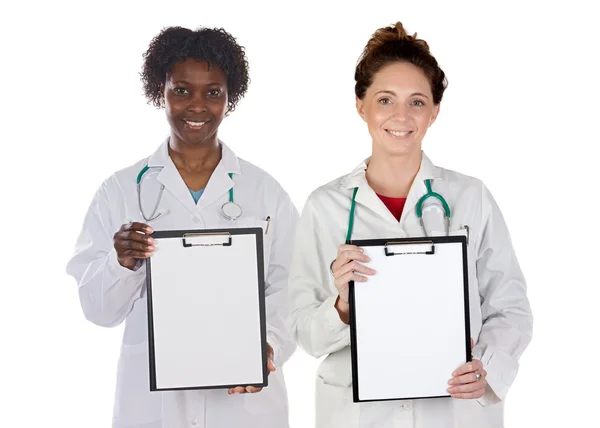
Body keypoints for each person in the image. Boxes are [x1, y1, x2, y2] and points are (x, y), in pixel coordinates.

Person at [288, 22, 533, 428]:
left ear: (434, 111)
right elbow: (305, 333)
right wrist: (343, 307)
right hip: (358, 414)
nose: (401, 116)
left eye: (417, 102)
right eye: (385, 99)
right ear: (360, 105)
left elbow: (511, 309)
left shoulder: (470, 197)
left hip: (454, 409)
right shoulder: (325, 206)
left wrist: (488, 367)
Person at [66, 26, 298, 428]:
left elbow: (291, 286)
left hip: (243, 405)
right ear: (161, 91)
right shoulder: (119, 190)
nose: (197, 105)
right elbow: (98, 311)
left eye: (213, 92)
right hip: (152, 405)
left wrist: (267, 345)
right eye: (181, 90)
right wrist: (120, 262)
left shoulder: (264, 191)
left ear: (230, 98)